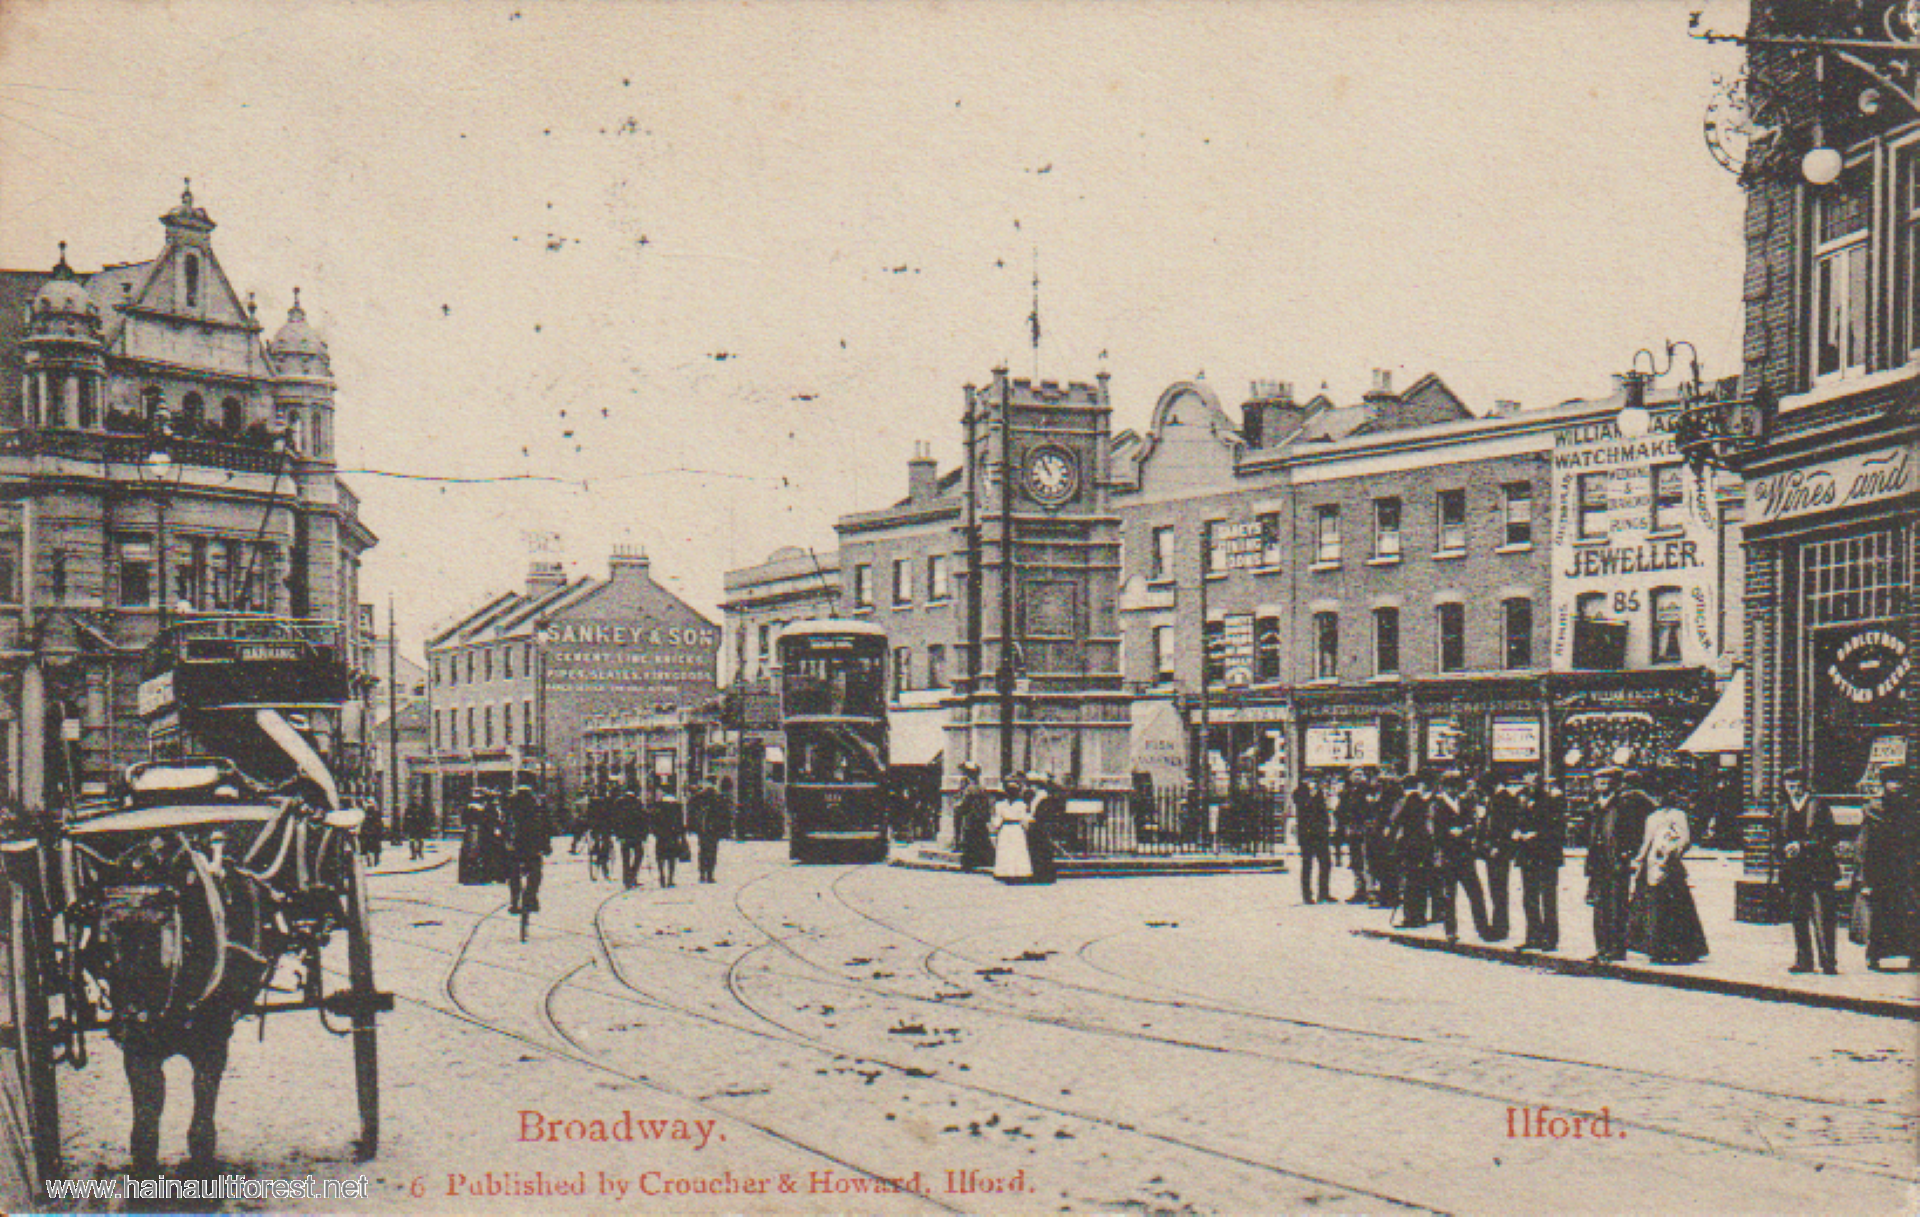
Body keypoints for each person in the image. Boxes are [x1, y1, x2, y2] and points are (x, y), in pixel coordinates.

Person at [1627, 770, 1708, 964]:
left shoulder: (1677, 815)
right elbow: (1646, 843)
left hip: (1669, 866)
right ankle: (1657, 947)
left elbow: (1685, 839)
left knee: (1675, 906)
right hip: (1651, 866)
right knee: (1654, 907)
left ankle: (1681, 948)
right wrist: (1638, 861)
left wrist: (1673, 852)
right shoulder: (1652, 817)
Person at [1586, 765, 1653, 963]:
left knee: (1616, 907)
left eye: (1606, 782)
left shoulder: (1623, 804)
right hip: (1598, 863)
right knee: (1599, 908)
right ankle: (1602, 948)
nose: (1602, 785)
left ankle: (1616, 949)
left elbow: (1633, 831)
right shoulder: (1596, 805)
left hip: (1616, 862)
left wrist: (1627, 855)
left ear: (1614, 784)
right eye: (1599, 782)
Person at [1853, 764, 1918, 970]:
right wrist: (1863, 878)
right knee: (1880, 915)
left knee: (1911, 914)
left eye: (1900, 782)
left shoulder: (1913, 808)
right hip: (1881, 870)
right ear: (1884, 784)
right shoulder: (1874, 809)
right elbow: (1864, 845)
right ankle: (1875, 956)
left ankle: (1914, 956)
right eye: (1892, 781)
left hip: (1909, 870)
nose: (1897, 786)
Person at [1778, 766, 1840, 974]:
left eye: (1797, 786)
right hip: (1794, 871)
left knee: (1823, 915)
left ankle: (1828, 960)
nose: (1794, 790)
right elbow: (1777, 839)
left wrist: (1803, 846)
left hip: (1819, 870)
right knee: (1798, 915)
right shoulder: (1783, 810)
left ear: (1805, 785)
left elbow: (1831, 837)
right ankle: (1804, 960)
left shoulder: (1819, 806)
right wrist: (1783, 850)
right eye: (1789, 786)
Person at [1431, 770, 1491, 944]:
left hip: (1465, 855)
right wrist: (1449, 833)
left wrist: (1465, 830)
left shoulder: (1465, 803)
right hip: (1448, 855)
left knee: (1476, 893)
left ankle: (1482, 928)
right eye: (1450, 786)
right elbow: (1435, 831)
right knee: (1449, 896)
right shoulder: (1437, 805)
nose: (1453, 790)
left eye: (1456, 786)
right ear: (1444, 787)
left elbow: (1473, 824)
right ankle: (1450, 930)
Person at [1513, 772, 1564, 952]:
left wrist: (1538, 834)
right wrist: (1517, 832)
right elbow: (1516, 820)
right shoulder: (1521, 798)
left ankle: (1550, 938)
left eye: (1533, 780)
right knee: (1529, 898)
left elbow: (1557, 827)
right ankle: (1533, 935)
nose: (1530, 783)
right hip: (1527, 854)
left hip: (1546, 855)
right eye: (1526, 779)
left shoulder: (1551, 800)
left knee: (1548, 898)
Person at [1479, 774, 1521, 943]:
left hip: (1498, 850)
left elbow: (1504, 825)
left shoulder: (1502, 799)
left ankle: (1500, 927)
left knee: (1498, 889)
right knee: (1497, 889)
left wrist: (1497, 845)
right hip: (1495, 850)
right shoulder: (1499, 798)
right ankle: (1499, 925)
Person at [502, 784, 554, 917]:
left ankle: (514, 901)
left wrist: (504, 844)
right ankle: (531, 897)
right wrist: (547, 846)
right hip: (533, 847)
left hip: (516, 847)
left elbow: (504, 827)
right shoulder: (537, 806)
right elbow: (546, 827)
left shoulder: (510, 806)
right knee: (535, 873)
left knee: (513, 874)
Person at [1390, 771, 1434, 928]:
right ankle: (1421, 915)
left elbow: (1394, 821)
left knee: (1409, 881)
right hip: (1424, 845)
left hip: (1408, 846)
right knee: (1421, 880)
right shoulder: (1424, 803)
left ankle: (1410, 917)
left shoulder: (1402, 802)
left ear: (1403, 786)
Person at [990, 772, 1037, 883]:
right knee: (1007, 849)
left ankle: (1018, 872)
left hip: (1013, 828)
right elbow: (999, 819)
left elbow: (1023, 818)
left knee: (1016, 850)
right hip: (1010, 828)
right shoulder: (1003, 805)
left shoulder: (1020, 805)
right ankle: (1006, 872)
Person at [1293, 775, 1331, 905]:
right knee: (1307, 864)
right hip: (1307, 834)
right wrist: (1312, 795)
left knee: (1325, 863)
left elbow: (1323, 812)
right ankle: (1307, 895)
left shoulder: (1320, 793)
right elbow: (1303, 807)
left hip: (1321, 833)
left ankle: (1323, 893)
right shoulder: (1299, 792)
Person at [689, 778, 731, 884]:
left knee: (703, 850)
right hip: (714, 828)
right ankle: (710, 874)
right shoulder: (718, 797)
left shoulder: (699, 797)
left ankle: (702, 873)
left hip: (703, 828)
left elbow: (692, 809)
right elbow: (724, 814)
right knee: (712, 851)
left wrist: (693, 826)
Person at [954, 762, 994, 872]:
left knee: (970, 839)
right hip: (980, 818)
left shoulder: (970, 789)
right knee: (981, 838)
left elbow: (964, 804)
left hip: (971, 818)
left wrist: (958, 806)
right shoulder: (981, 788)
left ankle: (969, 863)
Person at [1343, 770, 1375, 904]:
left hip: (1365, 829)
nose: (1358, 776)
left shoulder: (1369, 791)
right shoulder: (1347, 792)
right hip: (1353, 829)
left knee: (1366, 860)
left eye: (1360, 774)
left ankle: (1370, 890)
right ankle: (1359, 890)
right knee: (1355, 861)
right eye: (1355, 774)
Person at [1026, 772, 1060, 885]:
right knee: (1039, 851)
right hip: (1038, 825)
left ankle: (1044, 874)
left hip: (1040, 826)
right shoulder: (1038, 796)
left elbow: (1040, 813)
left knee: (1041, 851)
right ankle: (1041, 874)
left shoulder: (1042, 797)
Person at [616, 781, 648, 889]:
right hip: (635, 835)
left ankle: (626, 879)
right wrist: (644, 834)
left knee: (625, 857)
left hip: (624, 835)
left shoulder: (619, 802)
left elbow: (616, 819)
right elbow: (642, 819)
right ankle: (633, 875)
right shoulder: (637, 802)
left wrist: (618, 834)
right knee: (639, 854)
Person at [654, 790, 688, 888]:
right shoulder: (677, 807)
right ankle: (670, 879)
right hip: (673, 836)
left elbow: (654, 822)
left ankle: (662, 876)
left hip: (661, 837)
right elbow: (680, 822)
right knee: (672, 858)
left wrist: (656, 832)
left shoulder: (659, 808)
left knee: (660, 858)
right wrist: (682, 835)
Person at [361, 797, 385, 867]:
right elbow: (379, 824)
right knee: (375, 848)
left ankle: (370, 861)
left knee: (368, 848)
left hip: (368, 833)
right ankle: (375, 861)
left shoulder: (365, 814)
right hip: (374, 833)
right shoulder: (376, 814)